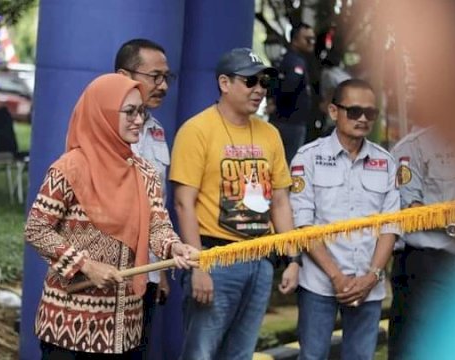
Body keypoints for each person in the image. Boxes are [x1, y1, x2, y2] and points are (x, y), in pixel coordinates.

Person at [25, 73, 198, 359]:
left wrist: (175, 247)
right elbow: (37, 229)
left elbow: (157, 227)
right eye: (129, 112)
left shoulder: (145, 173)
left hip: (124, 324)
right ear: (102, 114)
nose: (139, 120)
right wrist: (85, 265)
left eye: (141, 111)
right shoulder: (69, 168)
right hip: (69, 324)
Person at [170, 47, 299, 360]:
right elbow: (183, 203)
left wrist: (293, 258)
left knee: (241, 354)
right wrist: (199, 266)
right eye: (250, 81)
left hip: (260, 259)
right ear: (224, 83)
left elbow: (280, 201)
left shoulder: (270, 134)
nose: (259, 90)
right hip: (216, 258)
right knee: (201, 353)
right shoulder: (196, 130)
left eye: (264, 83)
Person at [289, 79, 400, 360]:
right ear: (333, 111)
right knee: (312, 356)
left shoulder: (386, 162)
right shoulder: (308, 158)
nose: (363, 119)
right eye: (354, 111)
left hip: (369, 285)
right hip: (319, 283)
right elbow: (303, 225)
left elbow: (391, 225)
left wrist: (372, 276)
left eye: (370, 113)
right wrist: (336, 277)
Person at [114, 38, 176, 358]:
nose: (163, 85)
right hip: (109, 274)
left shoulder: (157, 130)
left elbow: (157, 209)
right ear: (125, 76)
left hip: (146, 273)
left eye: (167, 77)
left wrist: (159, 270)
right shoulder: (103, 126)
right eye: (155, 76)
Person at [389, 125, 455, 359]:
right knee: (414, 345)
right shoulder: (412, 147)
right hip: (425, 262)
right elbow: (412, 211)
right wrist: (453, 225)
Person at [272, 23, 316, 162]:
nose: (311, 43)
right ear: (295, 40)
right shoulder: (294, 62)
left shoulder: (292, 60)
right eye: (307, 39)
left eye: (313, 39)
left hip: (289, 121)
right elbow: (289, 85)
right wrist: (277, 103)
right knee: (288, 166)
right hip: (291, 123)